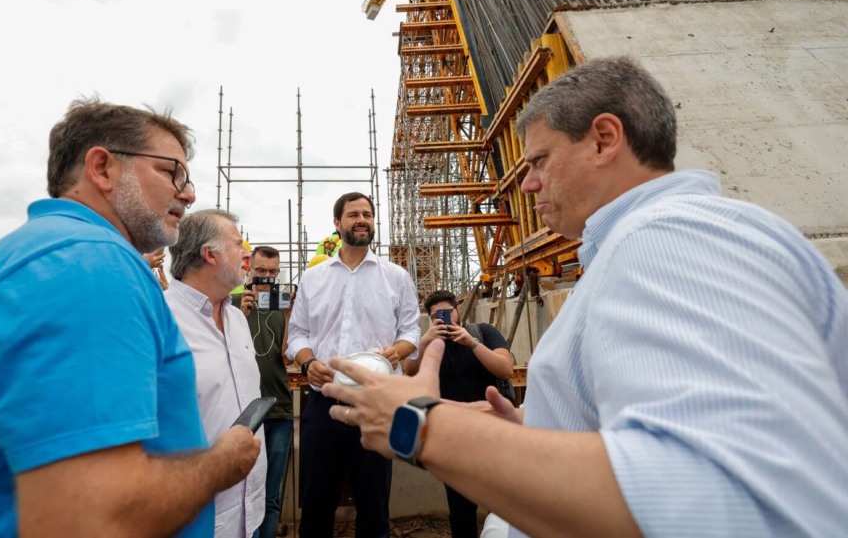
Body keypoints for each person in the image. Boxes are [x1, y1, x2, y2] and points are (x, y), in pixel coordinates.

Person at [320, 56, 848, 538]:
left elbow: (731, 496)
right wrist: (546, 429)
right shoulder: (688, 237)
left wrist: (421, 424)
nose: (527, 185)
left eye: (540, 161)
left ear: (603, 139)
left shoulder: (667, 241)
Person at [0, 99, 261, 538]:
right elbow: (92, 518)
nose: (187, 193)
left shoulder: (42, 253)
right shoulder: (87, 267)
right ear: (103, 167)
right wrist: (220, 464)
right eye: (172, 172)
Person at [287, 191, 421, 538]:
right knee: (316, 503)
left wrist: (398, 350)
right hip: (324, 403)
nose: (362, 220)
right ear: (337, 224)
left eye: (367, 214)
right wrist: (308, 363)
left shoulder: (396, 277)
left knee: (374, 504)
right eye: (353, 214)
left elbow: (411, 330)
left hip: (377, 403)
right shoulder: (313, 279)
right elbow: (297, 334)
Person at [164, 209, 266, 538]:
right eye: (238, 244)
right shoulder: (161, 318)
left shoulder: (237, 319)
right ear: (209, 254)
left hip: (249, 508)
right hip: (194, 515)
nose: (247, 253)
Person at [405, 290, 513, 538]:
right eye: (436, 316)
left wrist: (472, 343)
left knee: (504, 506)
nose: (444, 318)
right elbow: (409, 372)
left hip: (493, 434)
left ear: (458, 310)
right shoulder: (432, 346)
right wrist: (425, 342)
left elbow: (506, 369)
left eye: (448, 311)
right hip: (453, 438)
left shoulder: (483, 332)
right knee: (461, 511)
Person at [232, 245, 294, 538]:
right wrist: (240, 315)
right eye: (260, 271)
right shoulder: (231, 304)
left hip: (279, 408)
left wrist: (293, 312)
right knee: (242, 493)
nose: (267, 278)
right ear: (249, 270)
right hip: (242, 410)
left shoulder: (284, 306)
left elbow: (288, 355)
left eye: (272, 272)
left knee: (271, 494)